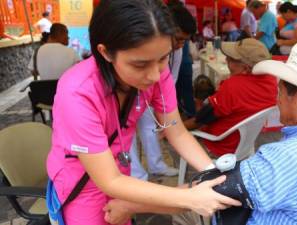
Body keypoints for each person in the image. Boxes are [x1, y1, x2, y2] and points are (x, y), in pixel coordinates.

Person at [45, 1, 241, 225]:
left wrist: (214, 172)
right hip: (82, 183)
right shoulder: (77, 93)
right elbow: (109, 180)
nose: (156, 75)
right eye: (140, 65)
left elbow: (176, 131)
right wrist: (188, 198)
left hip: (120, 173)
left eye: (163, 58)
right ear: (106, 52)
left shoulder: (157, 70)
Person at [174, 42, 297, 225]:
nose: (277, 99)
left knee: (182, 213)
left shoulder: (290, 158)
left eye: (279, 91)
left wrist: (152, 197)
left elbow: (208, 192)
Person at [129, 4, 198, 180]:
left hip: (151, 92)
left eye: (185, 41)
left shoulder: (178, 50)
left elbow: (170, 78)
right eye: (179, 39)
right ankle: (136, 175)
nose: (181, 44)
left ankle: (156, 165)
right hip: (130, 89)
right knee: (127, 130)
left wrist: (162, 105)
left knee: (150, 126)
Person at [183, 38, 278, 157]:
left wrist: (176, 128)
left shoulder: (232, 87)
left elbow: (200, 120)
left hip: (221, 144)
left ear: (246, 69)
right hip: (245, 142)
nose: (226, 59)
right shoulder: (271, 81)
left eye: (231, 59)